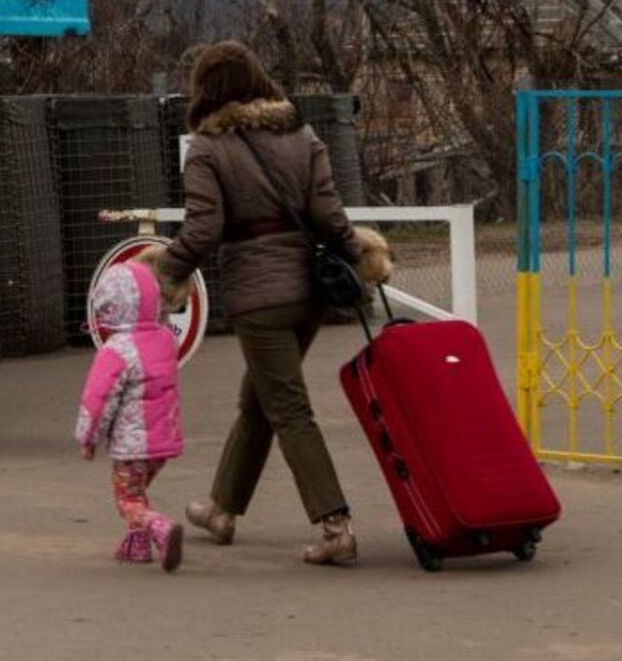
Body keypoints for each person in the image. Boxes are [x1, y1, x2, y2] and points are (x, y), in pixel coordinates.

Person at [154, 40, 390, 566]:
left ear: (204, 90)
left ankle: (336, 526)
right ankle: (221, 508)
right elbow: (330, 215)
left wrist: (165, 271)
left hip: (259, 299)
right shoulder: (302, 136)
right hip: (308, 293)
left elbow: (203, 228)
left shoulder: (208, 149)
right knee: (258, 400)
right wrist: (364, 256)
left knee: (288, 408)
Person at [76, 260, 185, 571]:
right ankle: (137, 545)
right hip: (163, 441)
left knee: (127, 500)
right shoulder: (166, 339)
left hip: (132, 443)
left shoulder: (115, 350)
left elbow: (99, 398)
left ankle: (159, 526)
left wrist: (88, 436)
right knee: (137, 488)